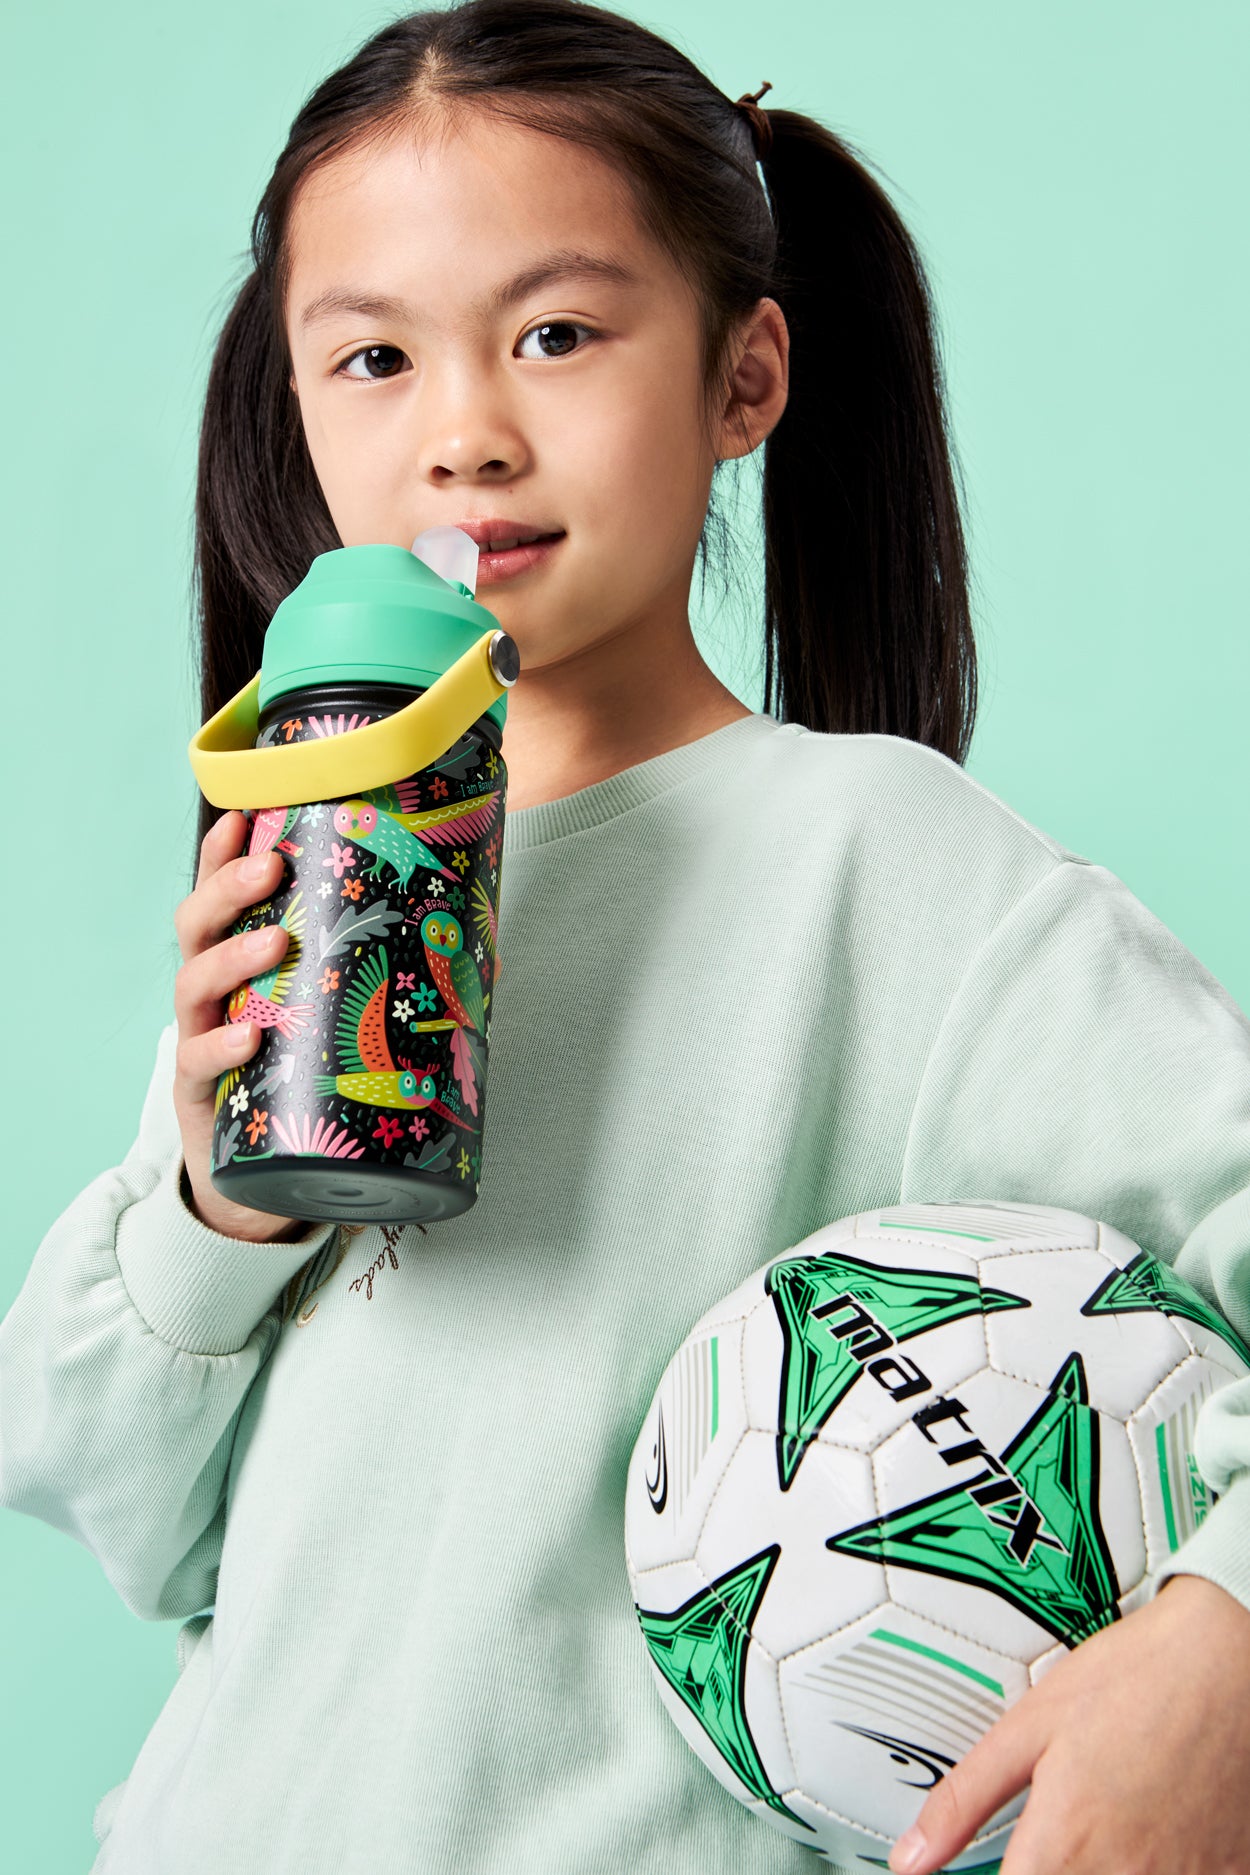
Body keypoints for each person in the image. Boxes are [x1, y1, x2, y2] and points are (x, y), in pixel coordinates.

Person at [3, 2, 1250, 1871]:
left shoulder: (875, 865)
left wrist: (1212, 1645)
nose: (462, 435)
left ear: (743, 380)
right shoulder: (324, 865)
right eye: (369, 359)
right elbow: (121, 1512)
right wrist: (213, 1205)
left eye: (557, 335)